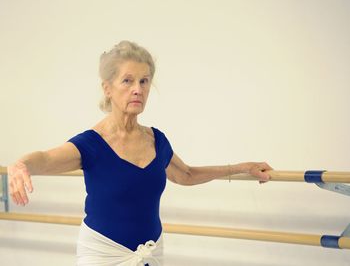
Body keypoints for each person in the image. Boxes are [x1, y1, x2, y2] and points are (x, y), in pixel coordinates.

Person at [7, 40, 272, 266]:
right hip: (102, 254)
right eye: (128, 80)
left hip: (151, 251)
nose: (138, 89)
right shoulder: (91, 144)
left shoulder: (156, 139)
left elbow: (187, 174)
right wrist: (21, 164)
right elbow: (44, 159)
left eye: (144, 81)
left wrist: (241, 167)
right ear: (107, 88)